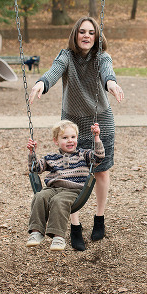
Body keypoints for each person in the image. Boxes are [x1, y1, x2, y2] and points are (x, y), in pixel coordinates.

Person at [29, 16, 124, 243]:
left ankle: (99, 218)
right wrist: (42, 83)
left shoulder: (102, 57)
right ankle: (75, 226)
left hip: (100, 121)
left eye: (91, 33)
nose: (86, 36)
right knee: (70, 171)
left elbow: (106, 71)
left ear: (97, 36)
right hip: (71, 124)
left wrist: (111, 83)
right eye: (82, 32)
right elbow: (54, 71)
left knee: (101, 170)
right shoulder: (66, 57)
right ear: (75, 34)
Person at [25, 120, 105, 252]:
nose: (70, 141)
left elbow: (99, 156)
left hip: (73, 191)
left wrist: (96, 137)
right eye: (65, 137)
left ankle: (58, 237)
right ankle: (36, 232)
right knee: (39, 196)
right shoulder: (51, 157)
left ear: (77, 138)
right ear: (56, 141)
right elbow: (36, 168)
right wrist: (32, 152)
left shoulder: (84, 155)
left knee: (59, 201)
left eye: (73, 137)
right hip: (53, 188)